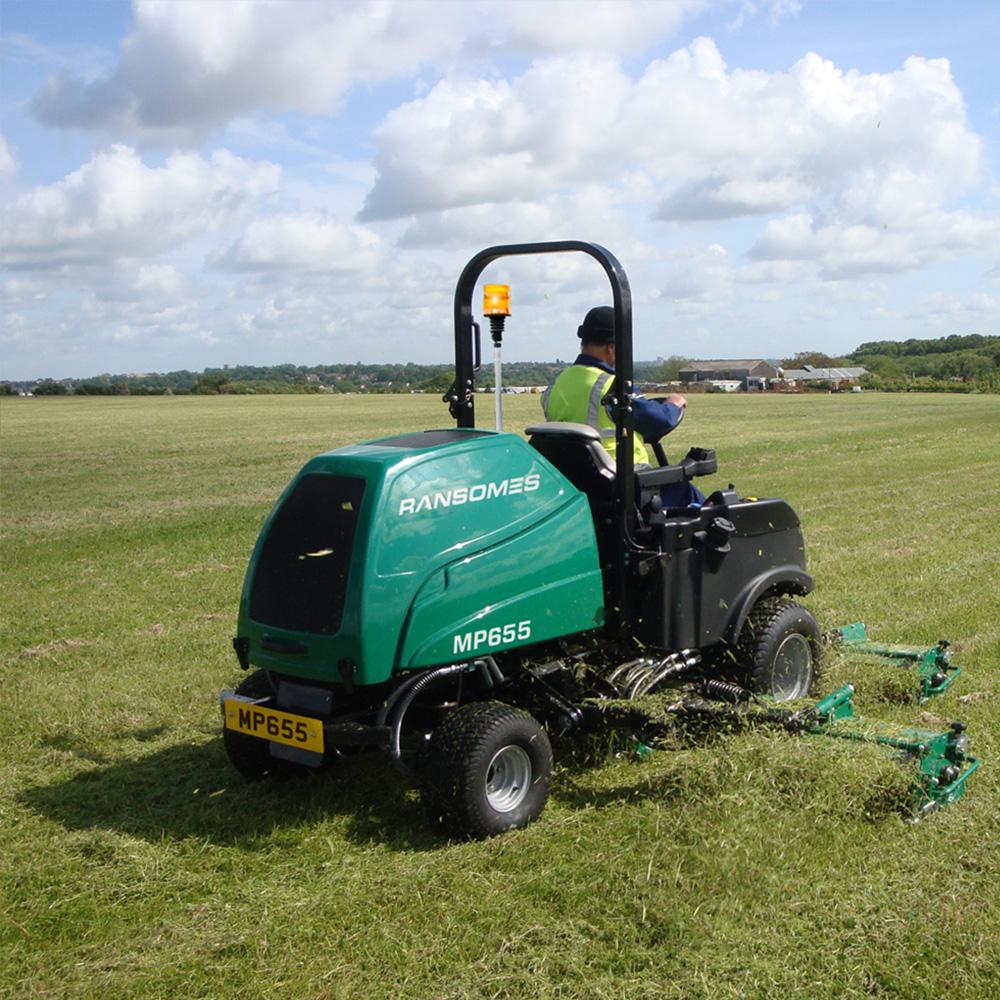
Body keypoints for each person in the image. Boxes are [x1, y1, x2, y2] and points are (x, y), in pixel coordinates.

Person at [542, 305, 702, 506]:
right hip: (622, 484)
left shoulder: (557, 384)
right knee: (691, 496)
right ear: (612, 347)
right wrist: (673, 404)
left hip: (576, 482)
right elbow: (659, 420)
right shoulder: (611, 386)